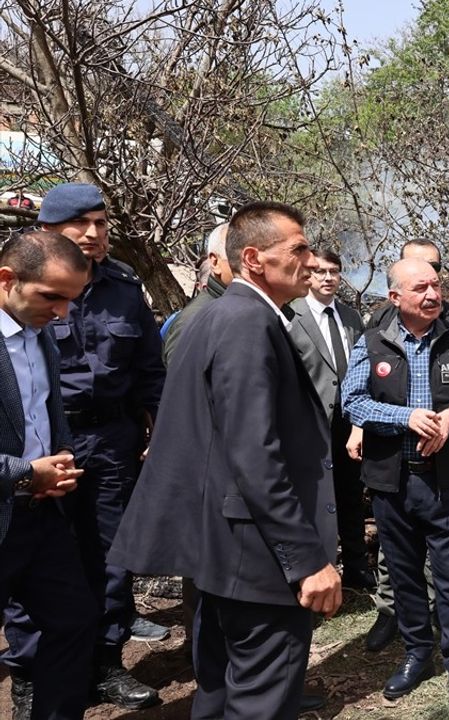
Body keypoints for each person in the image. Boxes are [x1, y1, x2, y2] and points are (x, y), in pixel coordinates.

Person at [108, 201, 342, 720]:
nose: (309, 259)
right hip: (257, 561)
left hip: (221, 552)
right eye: (299, 249)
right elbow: (254, 453)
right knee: (258, 702)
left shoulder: (224, 315)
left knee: (218, 695)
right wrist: (306, 561)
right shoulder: (245, 323)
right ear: (255, 258)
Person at [4, 184, 166, 713]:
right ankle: (30, 673)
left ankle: (104, 662)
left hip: (102, 441)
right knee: (32, 569)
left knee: (106, 557)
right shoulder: (28, 295)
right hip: (33, 460)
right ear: (48, 232)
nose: (94, 234)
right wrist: (31, 469)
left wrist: (155, 421)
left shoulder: (120, 285)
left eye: (101, 222)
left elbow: (147, 364)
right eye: (81, 224)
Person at [343, 256, 449, 712]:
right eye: (420, 288)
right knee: (405, 575)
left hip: (444, 481)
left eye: (436, 286)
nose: (432, 295)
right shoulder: (371, 342)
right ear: (395, 297)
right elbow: (353, 403)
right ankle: (416, 655)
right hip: (392, 480)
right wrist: (405, 418)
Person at [0, 231, 95, 720]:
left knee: (74, 622)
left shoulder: (41, 337)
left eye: (70, 300)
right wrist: (23, 473)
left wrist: (58, 461)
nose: (61, 313)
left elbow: (45, 414)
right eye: (51, 297)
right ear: (7, 279)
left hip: (40, 515)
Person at [286, 249, 373, 588]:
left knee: (351, 497)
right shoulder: (291, 314)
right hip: (310, 426)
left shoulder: (351, 317)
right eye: (320, 271)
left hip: (349, 426)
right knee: (313, 499)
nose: (327, 278)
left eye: (334, 271)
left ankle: (356, 569)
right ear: (308, 275)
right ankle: (316, 571)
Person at [162, 223, 231, 363]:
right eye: (236, 256)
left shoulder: (242, 306)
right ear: (215, 262)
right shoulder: (192, 321)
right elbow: (182, 381)